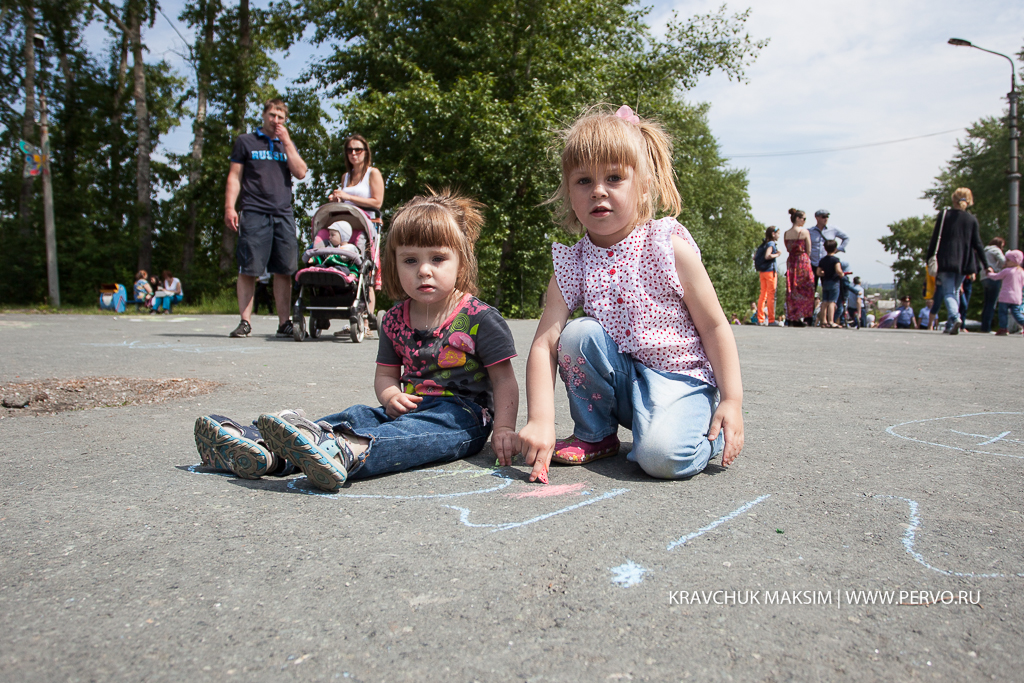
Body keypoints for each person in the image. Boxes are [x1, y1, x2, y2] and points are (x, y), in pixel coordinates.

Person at [193, 190, 519, 492]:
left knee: (411, 435)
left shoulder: (480, 318)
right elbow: (386, 375)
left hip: (460, 417)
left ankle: (347, 450)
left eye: (437, 259)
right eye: (410, 260)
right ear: (393, 263)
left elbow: (504, 380)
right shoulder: (395, 319)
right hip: (407, 407)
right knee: (358, 415)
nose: (423, 270)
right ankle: (267, 448)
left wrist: (503, 429)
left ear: (461, 260)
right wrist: (390, 396)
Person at [516, 105, 744, 484]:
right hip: (623, 381)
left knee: (661, 459)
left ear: (643, 185)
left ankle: (705, 434)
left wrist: (732, 399)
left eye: (614, 177)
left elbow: (714, 326)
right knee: (578, 333)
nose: (598, 190)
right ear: (568, 192)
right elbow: (544, 345)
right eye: (583, 180)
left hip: (679, 380)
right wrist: (540, 419)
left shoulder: (667, 246)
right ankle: (596, 434)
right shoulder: (573, 262)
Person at [224, 98, 308, 338]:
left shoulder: (286, 144)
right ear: (263, 115)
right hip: (253, 211)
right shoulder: (246, 141)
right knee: (249, 268)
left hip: (283, 213)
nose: (276, 120)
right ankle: (245, 322)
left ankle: (284, 323)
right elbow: (234, 176)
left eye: (281, 117)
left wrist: (287, 142)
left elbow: (301, 172)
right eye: (272, 115)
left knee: (284, 269)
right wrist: (229, 207)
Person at [329, 134, 386, 318]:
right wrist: (337, 199)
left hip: (366, 226)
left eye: (358, 150)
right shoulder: (346, 177)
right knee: (348, 269)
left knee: (364, 272)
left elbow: (377, 202)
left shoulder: (372, 173)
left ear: (365, 152)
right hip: (347, 226)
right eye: (350, 150)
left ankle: (366, 317)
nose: (354, 153)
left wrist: (348, 196)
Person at [925, 187, 990, 335]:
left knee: (948, 292)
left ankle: (955, 318)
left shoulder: (945, 215)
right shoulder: (972, 219)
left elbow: (935, 239)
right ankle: (950, 325)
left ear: (953, 199)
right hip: (964, 262)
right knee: (955, 292)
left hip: (946, 259)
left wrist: (929, 258)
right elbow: (978, 244)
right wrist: (986, 265)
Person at [784, 208, 814, 326]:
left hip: (791, 262)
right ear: (798, 218)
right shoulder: (804, 232)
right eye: (804, 218)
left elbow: (788, 248)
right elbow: (808, 249)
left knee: (792, 289)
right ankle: (804, 315)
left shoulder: (786, 233)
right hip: (802, 260)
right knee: (806, 288)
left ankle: (793, 316)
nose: (805, 221)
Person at [986, 249, 1024, 335]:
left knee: (1002, 313)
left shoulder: (1007, 271)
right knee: (1017, 313)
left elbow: (996, 277)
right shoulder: (1022, 272)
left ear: (1014, 261)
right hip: (1017, 297)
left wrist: (989, 273)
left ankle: (1003, 328)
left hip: (1005, 296)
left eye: (1008, 260)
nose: (1006, 262)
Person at [808, 209, 849, 289]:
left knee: (828, 288)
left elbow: (846, 237)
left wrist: (838, 249)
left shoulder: (833, 229)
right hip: (813, 263)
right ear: (817, 218)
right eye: (823, 217)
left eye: (827, 217)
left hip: (827, 264)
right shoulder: (810, 231)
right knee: (811, 288)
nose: (826, 219)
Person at [755, 226, 781, 325]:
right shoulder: (771, 244)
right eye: (778, 233)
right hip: (770, 271)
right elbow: (767, 255)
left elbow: (755, 256)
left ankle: (760, 318)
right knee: (771, 295)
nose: (779, 236)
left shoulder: (763, 244)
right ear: (773, 234)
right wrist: (777, 254)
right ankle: (771, 319)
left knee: (763, 294)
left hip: (762, 272)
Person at [980, 237, 1006, 333]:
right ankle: (987, 328)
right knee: (992, 304)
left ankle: (984, 326)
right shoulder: (996, 250)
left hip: (984, 277)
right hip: (994, 276)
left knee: (987, 303)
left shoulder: (985, 250)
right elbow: (1003, 261)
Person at [815, 239, 844, 327]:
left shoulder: (822, 260)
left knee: (824, 302)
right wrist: (842, 274)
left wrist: (824, 274)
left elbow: (818, 272)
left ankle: (823, 321)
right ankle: (831, 321)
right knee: (832, 302)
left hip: (825, 282)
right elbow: (838, 270)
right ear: (835, 249)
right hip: (834, 282)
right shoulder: (835, 260)